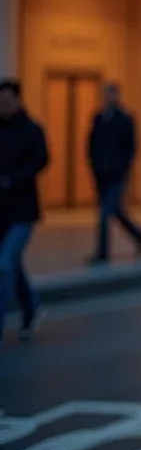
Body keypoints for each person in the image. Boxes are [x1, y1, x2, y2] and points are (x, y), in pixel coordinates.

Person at [0, 79, 49, 343]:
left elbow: (42, 160)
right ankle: (31, 309)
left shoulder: (31, 130)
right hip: (1, 213)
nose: (3, 106)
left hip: (22, 211)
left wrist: (14, 179)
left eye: (7, 101)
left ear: (17, 100)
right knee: (13, 265)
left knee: (4, 265)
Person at [86, 83, 141, 264]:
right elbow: (91, 143)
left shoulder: (125, 120)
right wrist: (93, 164)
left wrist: (123, 167)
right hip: (101, 174)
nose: (108, 98)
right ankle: (138, 234)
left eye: (111, 94)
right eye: (105, 95)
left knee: (105, 213)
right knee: (115, 211)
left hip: (117, 175)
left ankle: (102, 252)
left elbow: (131, 148)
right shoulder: (98, 118)